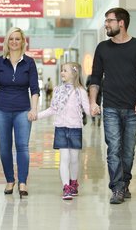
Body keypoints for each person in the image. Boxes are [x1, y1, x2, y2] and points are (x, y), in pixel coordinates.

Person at [89, 7, 136, 204]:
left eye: (109, 20)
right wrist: (92, 101)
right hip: (111, 107)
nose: (106, 24)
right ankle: (116, 188)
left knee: (128, 150)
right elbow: (96, 77)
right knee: (113, 148)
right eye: (106, 21)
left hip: (133, 107)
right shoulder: (102, 48)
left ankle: (124, 183)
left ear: (121, 23)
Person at [0, 27, 39, 198]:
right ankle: (10, 180)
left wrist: (34, 109)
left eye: (18, 39)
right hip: (1, 111)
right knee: (5, 148)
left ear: (23, 42)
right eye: (11, 39)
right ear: (7, 42)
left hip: (23, 111)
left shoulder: (29, 62)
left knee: (22, 147)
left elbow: (35, 88)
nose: (14, 42)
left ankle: (22, 181)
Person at [37, 62, 90, 200]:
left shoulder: (81, 91)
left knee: (74, 159)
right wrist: (37, 116)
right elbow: (53, 109)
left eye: (65, 70)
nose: (62, 73)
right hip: (60, 127)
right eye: (61, 70)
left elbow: (88, 110)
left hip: (75, 128)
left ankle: (73, 183)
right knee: (64, 158)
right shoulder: (57, 90)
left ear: (74, 73)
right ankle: (66, 187)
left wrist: (97, 111)